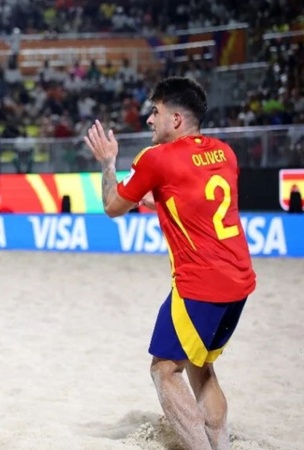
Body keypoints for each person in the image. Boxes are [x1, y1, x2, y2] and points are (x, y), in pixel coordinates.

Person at [83, 77, 256, 450]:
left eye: (155, 111)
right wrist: (153, 201)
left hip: (199, 285)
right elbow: (189, 198)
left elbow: (113, 207)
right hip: (239, 283)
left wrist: (107, 163)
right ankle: (220, 444)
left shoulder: (156, 158)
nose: (149, 120)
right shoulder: (225, 152)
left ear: (175, 119)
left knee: (164, 369)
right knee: (199, 365)